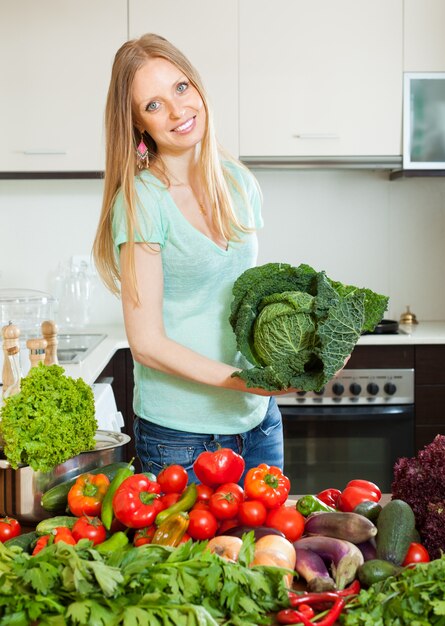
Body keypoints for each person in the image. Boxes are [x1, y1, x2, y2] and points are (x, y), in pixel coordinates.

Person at [93, 33, 293, 485]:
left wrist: (303, 351)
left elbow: (247, 299)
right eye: (154, 105)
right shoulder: (143, 201)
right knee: (196, 559)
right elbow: (146, 343)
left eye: (181, 88)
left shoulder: (237, 181)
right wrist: (248, 381)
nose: (178, 110)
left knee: (266, 556)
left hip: (260, 423)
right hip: (182, 437)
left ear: (197, 86)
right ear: (139, 125)